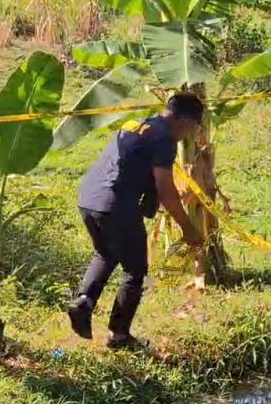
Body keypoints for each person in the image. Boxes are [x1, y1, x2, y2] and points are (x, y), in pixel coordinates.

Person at [67, 92, 205, 350]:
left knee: (105, 254)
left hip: (89, 199)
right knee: (135, 271)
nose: (190, 134)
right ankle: (119, 336)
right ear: (185, 121)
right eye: (193, 127)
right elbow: (166, 189)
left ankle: (83, 302)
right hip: (116, 205)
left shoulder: (136, 124)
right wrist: (188, 229)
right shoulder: (165, 139)